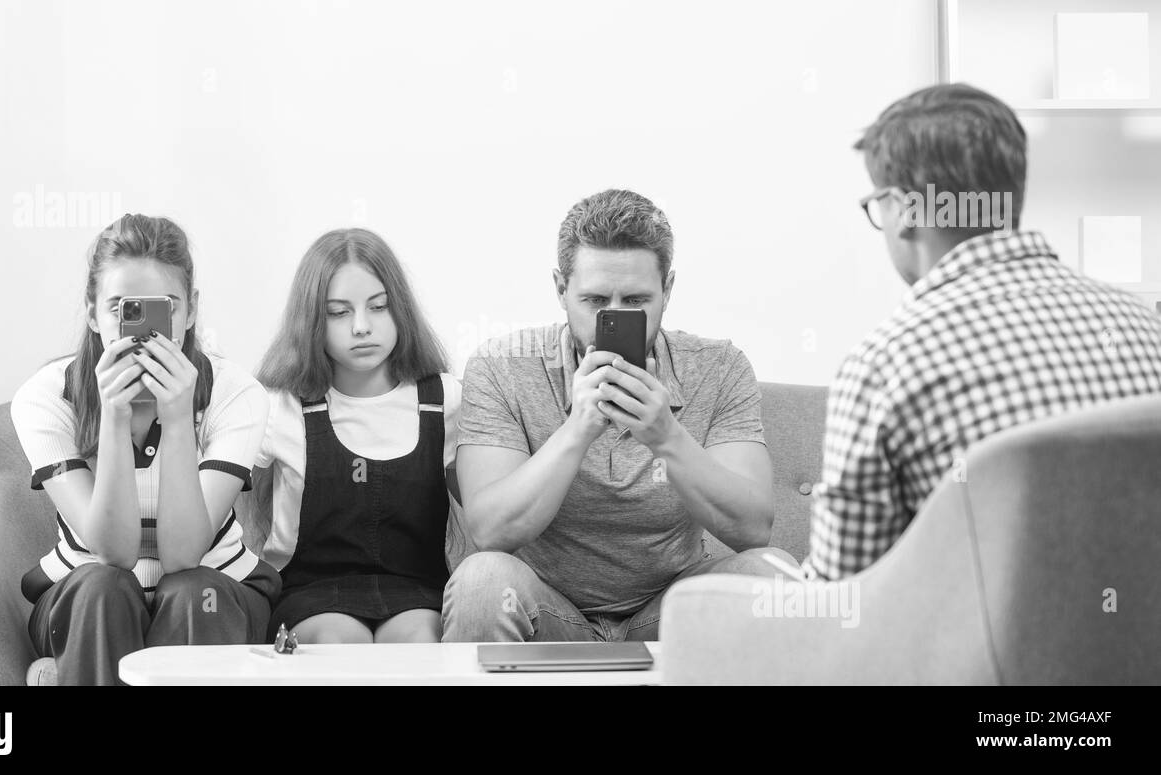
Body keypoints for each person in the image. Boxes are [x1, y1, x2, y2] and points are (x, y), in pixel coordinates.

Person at [804, 83, 1161, 580]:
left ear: (906, 209)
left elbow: (842, 603)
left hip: (988, 657)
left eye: (876, 206)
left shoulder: (886, 363)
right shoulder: (1147, 329)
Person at [444, 188, 792, 643]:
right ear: (560, 288)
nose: (615, 315)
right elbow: (490, 531)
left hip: (669, 613)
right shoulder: (502, 366)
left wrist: (666, 435)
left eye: (635, 300)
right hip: (547, 609)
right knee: (482, 580)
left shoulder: (719, 367)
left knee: (774, 575)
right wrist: (578, 429)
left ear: (667, 290)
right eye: (594, 301)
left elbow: (753, 529)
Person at [11, 214, 279, 685]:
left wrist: (177, 421)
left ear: (191, 311)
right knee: (103, 587)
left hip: (214, 588)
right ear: (92, 312)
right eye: (120, 307)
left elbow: (182, 556)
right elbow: (112, 552)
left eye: (164, 307)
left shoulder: (236, 393)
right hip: (87, 594)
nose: (138, 328)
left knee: (194, 592)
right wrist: (113, 422)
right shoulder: (46, 396)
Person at [253, 228, 461, 644]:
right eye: (338, 312)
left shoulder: (445, 399)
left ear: (399, 308)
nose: (362, 327)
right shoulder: (280, 405)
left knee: (419, 642)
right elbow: (234, 515)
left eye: (379, 307)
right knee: (338, 645)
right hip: (311, 595)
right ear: (311, 319)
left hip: (420, 594)